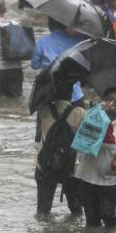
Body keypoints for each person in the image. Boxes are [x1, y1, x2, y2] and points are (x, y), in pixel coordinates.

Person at [75, 87, 116, 228]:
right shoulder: (92, 117)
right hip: (88, 176)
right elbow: (83, 141)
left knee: (108, 216)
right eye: (111, 99)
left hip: (112, 178)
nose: (115, 103)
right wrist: (100, 115)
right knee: (91, 219)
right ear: (104, 101)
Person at [35, 73, 86, 215]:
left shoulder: (43, 109)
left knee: (43, 212)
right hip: (71, 166)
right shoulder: (80, 113)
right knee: (76, 212)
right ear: (70, 94)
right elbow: (85, 142)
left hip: (45, 165)